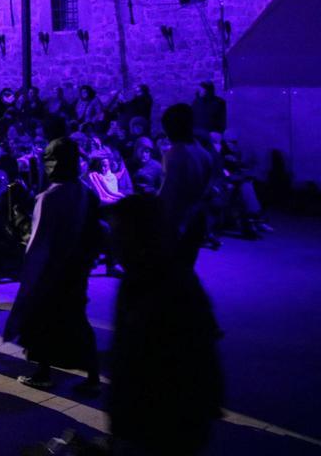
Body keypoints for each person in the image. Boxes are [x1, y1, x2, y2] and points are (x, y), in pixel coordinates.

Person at [108, 194, 223, 455]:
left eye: (119, 233)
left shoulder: (163, 284)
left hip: (164, 419)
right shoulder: (142, 277)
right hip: (150, 418)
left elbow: (192, 354)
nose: (113, 242)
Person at [4, 138, 102, 393]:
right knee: (77, 320)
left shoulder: (50, 197)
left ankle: (44, 373)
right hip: (77, 268)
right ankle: (92, 377)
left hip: (52, 271)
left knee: (43, 320)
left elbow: (39, 241)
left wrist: (20, 222)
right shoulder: (86, 192)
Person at [158, 104, 217, 268]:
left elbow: (170, 196)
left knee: (172, 270)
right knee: (185, 268)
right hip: (197, 219)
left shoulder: (175, 154)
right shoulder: (203, 153)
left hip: (177, 222)